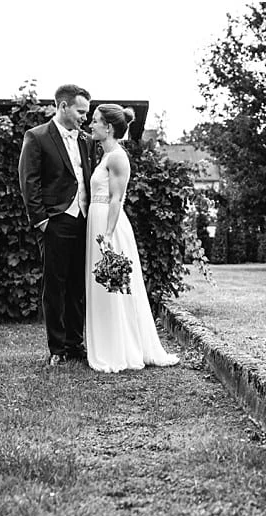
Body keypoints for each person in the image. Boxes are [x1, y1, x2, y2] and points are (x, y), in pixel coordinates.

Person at [84, 104, 180, 373]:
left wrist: (108, 235)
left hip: (108, 224)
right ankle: (108, 344)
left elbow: (117, 198)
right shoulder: (105, 156)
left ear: (109, 127)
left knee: (114, 288)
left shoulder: (117, 157)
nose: (90, 125)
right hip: (98, 220)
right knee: (104, 288)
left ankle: (120, 349)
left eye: (95, 121)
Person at [18, 84, 94, 367]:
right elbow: (29, 182)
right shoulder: (37, 137)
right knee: (55, 286)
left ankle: (76, 344)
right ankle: (58, 348)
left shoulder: (86, 140)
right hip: (55, 221)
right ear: (63, 107)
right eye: (80, 111)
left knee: (78, 285)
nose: (84, 117)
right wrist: (41, 221)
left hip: (84, 221)